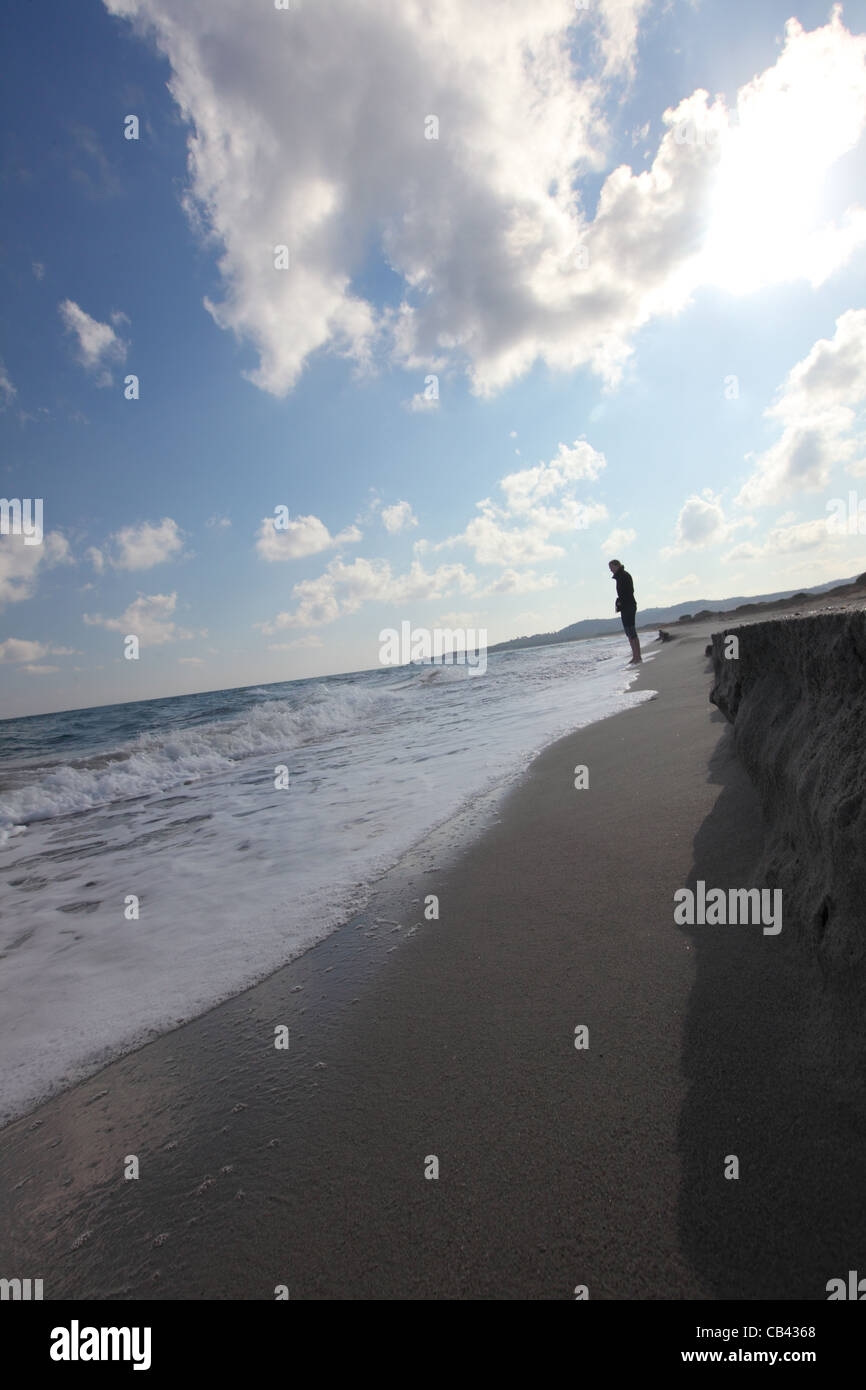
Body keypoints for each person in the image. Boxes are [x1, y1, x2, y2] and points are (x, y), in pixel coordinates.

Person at [608, 559, 641, 664]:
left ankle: (637, 657)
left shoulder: (624, 575)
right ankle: (635, 656)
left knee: (632, 632)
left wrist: (621, 601)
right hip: (625, 607)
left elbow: (630, 591)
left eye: (611, 567)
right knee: (628, 632)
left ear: (617, 565)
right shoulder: (619, 577)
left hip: (629, 606)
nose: (611, 570)